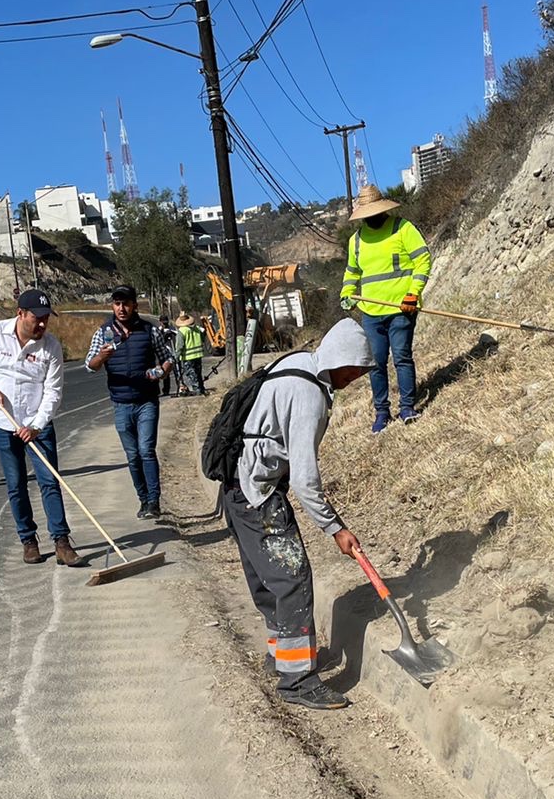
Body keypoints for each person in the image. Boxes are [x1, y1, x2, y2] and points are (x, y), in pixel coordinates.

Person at [220, 319, 372, 711]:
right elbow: (305, 480)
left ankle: (283, 656)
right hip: (258, 490)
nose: (355, 378)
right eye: (355, 370)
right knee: (292, 577)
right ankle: (298, 681)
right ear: (340, 361)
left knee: (267, 576)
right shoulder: (310, 397)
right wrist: (336, 528)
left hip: (237, 485)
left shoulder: (298, 363)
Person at [0, 289, 82, 567]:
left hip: (37, 423)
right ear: (20, 313)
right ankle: (28, 540)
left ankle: (61, 541)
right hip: (3, 421)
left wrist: (36, 425)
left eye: (46, 318)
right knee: (16, 484)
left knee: (49, 481)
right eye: (37, 318)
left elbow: (53, 392)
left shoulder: (51, 346)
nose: (43, 324)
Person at [339, 184, 432, 433]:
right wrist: (346, 293)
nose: (373, 217)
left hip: (402, 308)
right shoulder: (356, 241)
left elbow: (422, 260)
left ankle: (407, 407)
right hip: (371, 312)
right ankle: (382, 412)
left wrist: (413, 293)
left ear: (383, 210)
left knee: (401, 357)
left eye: (375, 212)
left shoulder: (403, 228)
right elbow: (352, 271)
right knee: (376, 362)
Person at [85, 284, 174, 520]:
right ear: (112, 306)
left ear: (134, 305)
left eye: (125, 303)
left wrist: (160, 372)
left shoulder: (149, 331)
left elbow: (168, 359)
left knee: (146, 450)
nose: (121, 308)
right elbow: (90, 365)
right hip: (121, 404)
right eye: (117, 303)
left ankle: (154, 501)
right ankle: (143, 499)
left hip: (146, 401)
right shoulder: (103, 333)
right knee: (132, 455)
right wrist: (102, 356)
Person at [175, 312, 208, 396]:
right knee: (198, 373)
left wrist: (176, 356)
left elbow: (180, 346)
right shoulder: (197, 328)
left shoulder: (182, 331)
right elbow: (203, 339)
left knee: (191, 374)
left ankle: (197, 390)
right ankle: (201, 388)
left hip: (188, 356)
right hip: (198, 355)